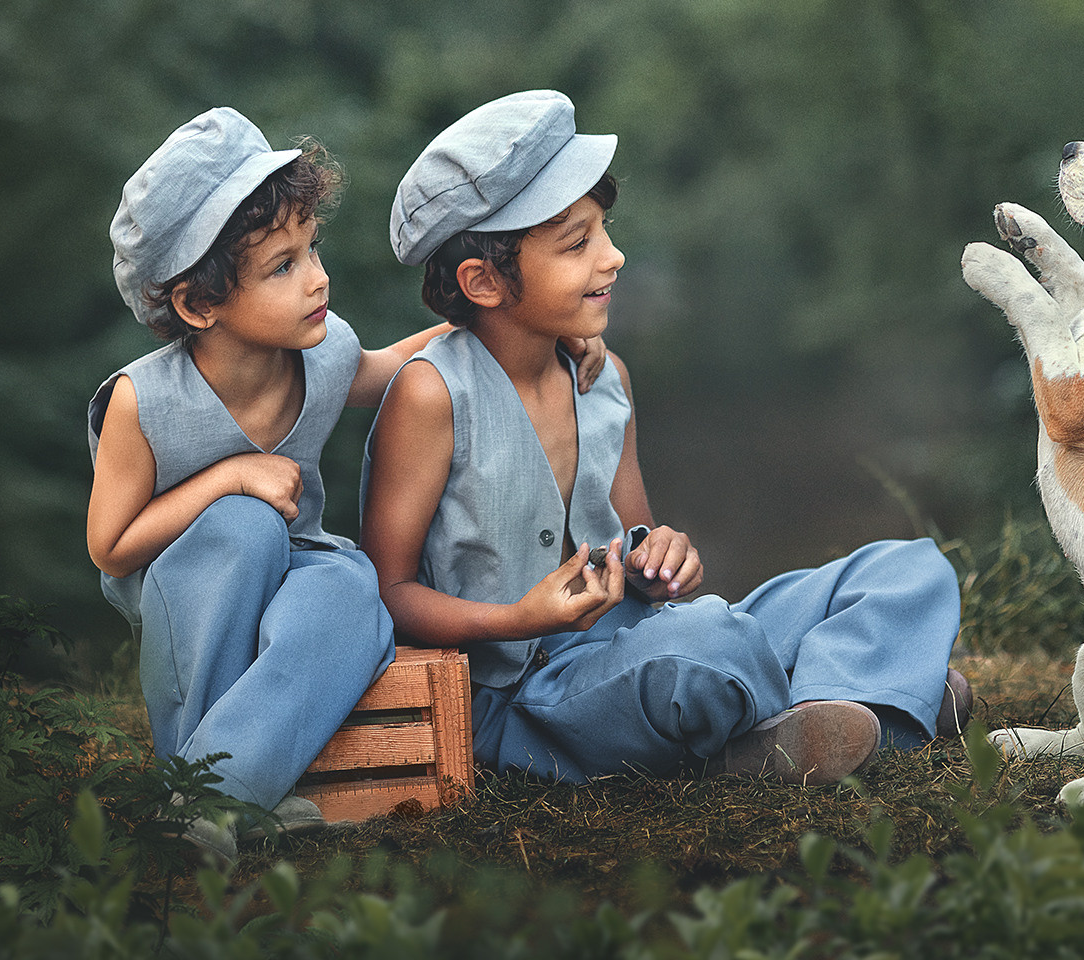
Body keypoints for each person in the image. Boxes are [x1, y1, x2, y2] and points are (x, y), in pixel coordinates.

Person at [360, 90, 969, 786]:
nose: (614, 257)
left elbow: (637, 540)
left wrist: (662, 555)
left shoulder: (603, 375)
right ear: (484, 282)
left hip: (640, 643)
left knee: (909, 570)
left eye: (604, 230)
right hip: (526, 701)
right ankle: (875, 703)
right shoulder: (431, 394)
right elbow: (390, 592)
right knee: (706, 646)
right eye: (577, 244)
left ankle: (824, 721)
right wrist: (516, 618)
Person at [85, 107, 607, 863]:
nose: (317, 278)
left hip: (296, 554)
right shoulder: (144, 402)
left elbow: (398, 363)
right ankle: (192, 780)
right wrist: (228, 478)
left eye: (311, 248)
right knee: (243, 526)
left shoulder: (324, 351)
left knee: (350, 591)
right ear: (200, 304)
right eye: (282, 267)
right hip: (191, 584)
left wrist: (541, 325)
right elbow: (110, 547)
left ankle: (227, 798)